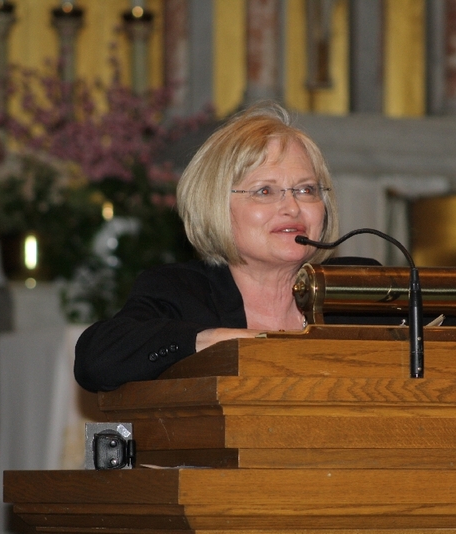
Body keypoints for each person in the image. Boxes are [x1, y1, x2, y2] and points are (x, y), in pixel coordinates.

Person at [74, 102, 343, 392]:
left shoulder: (353, 289)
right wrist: (216, 342)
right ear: (216, 204)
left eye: (306, 190)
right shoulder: (183, 293)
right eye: (265, 191)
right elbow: (96, 360)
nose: (292, 207)